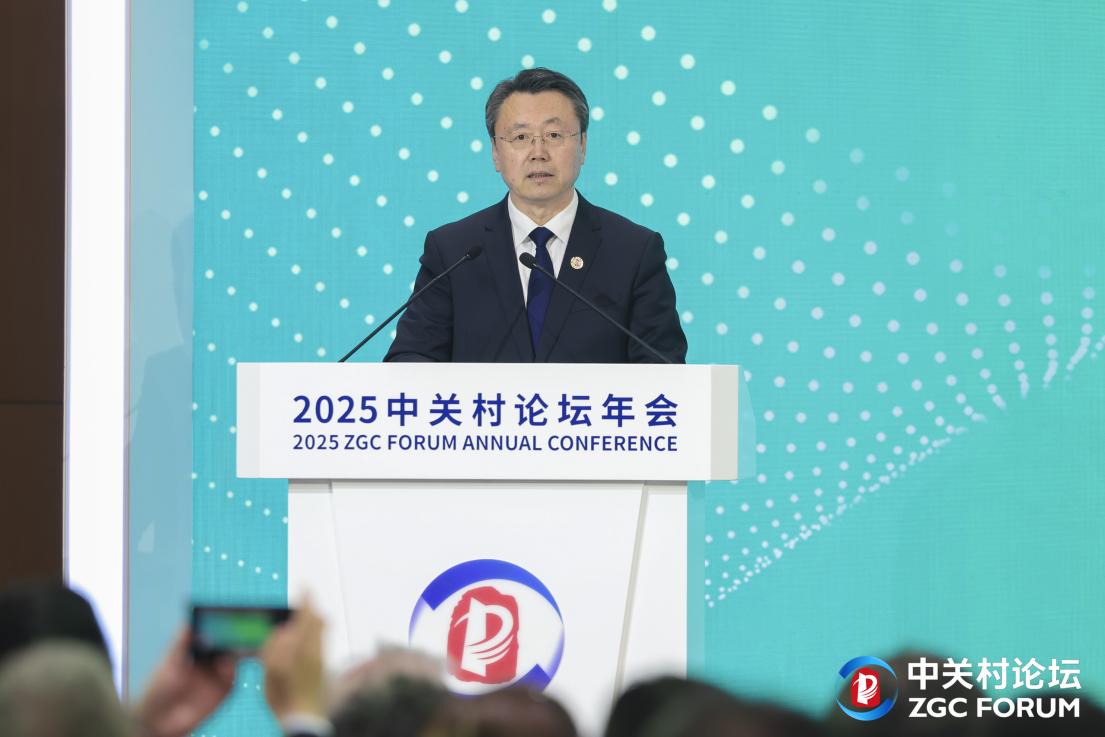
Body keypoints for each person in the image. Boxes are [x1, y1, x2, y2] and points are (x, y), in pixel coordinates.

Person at [384, 67, 687, 364]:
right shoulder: (454, 251)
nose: (538, 152)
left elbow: (664, 370)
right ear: (495, 152)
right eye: (520, 137)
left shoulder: (633, 251)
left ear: (582, 145)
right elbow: (410, 359)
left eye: (554, 135)